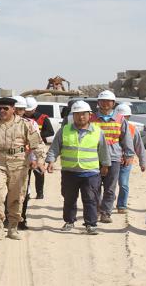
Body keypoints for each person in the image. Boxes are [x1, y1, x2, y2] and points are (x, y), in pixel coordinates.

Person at [0, 97, 43, 241]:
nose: (2, 111)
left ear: (13, 109)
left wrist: (40, 160)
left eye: (5, 108)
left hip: (18, 163)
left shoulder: (25, 124)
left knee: (17, 196)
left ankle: (13, 226)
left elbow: (36, 143)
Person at [46, 101, 111, 235]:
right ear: (73, 116)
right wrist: (51, 160)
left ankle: (91, 224)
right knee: (69, 198)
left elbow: (104, 150)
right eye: (77, 114)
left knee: (90, 199)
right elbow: (55, 148)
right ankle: (69, 221)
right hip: (70, 172)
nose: (80, 117)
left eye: (83, 114)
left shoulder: (98, 132)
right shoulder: (64, 130)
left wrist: (105, 165)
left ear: (90, 115)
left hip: (90, 172)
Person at [90, 90, 134, 223]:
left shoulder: (120, 119)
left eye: (108, 101)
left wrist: (128, 154)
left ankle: (106, 213)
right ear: (98, 103)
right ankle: (96, 210)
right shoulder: (91, 118)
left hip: (114, 157)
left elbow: (126, 138)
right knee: (94, 186)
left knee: (110, 187)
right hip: (94, 157)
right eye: (102, 101)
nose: (105, 104)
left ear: (113, 103)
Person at [5, 96, 47, 230]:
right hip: (4, 162)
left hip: (23, 162)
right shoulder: (0, 123)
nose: (18, 112)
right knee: (5, 191)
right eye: (16, 109)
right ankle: (7, 218)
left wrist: (35, 160)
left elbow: (35, 143)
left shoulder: (30, 124)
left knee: (22, 192)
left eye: (22, 109)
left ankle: (21, 219)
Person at [114, 104, 146, 213]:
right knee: (109, 185)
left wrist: (143, 162)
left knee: (123, 184)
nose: (123, 119)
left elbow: (139, 147)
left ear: (128, 117)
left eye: (125, 117)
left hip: (126, 162)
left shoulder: (133, 129)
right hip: (111, 161)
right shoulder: (110, 126)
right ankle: (107, 202)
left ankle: (122, 205)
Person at [24, 96, 54, 199]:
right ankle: (26, 193)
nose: (27, 112)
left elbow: (51, 131)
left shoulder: (43, 118)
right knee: (25, 173)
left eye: (30, 110)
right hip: (26, 149)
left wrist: (37, 135)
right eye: (26, 110)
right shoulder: (21, 117)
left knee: (38, 172)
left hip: (38, 148)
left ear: (35, 108)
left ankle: (39, 193)